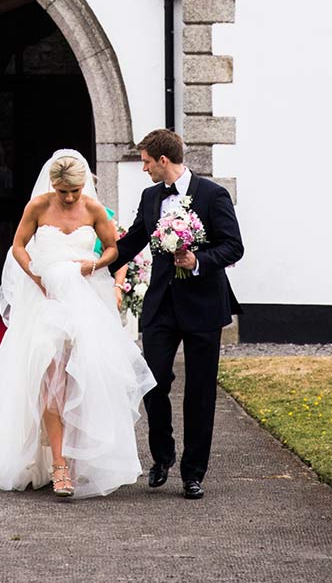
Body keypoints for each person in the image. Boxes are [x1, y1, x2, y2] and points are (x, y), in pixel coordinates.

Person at [0, 150, 155, 501]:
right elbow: (18, 246)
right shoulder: (37, 207)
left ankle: (82, 459)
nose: (69, 198)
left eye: (75, 192)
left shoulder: (94, 210)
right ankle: (59, 465)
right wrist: (35, 274)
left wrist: (93, 265)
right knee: (52, 382)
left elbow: (113, 249)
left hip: (84, 302)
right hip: (45, 302)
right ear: (53, 185)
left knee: (83, 378)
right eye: (63, 192)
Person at [111, 128, 243, 501]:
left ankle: (193, 472)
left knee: (200, 392)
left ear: (163, 160)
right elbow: (134, 239)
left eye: (147, 162)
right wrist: (97, 265)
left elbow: (234, 246)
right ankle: (162, 456)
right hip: (161, 306)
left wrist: (198, 260)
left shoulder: (213, 195)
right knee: (151, 382)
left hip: (203, 306)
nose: (145, 169)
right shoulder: (151, 197)